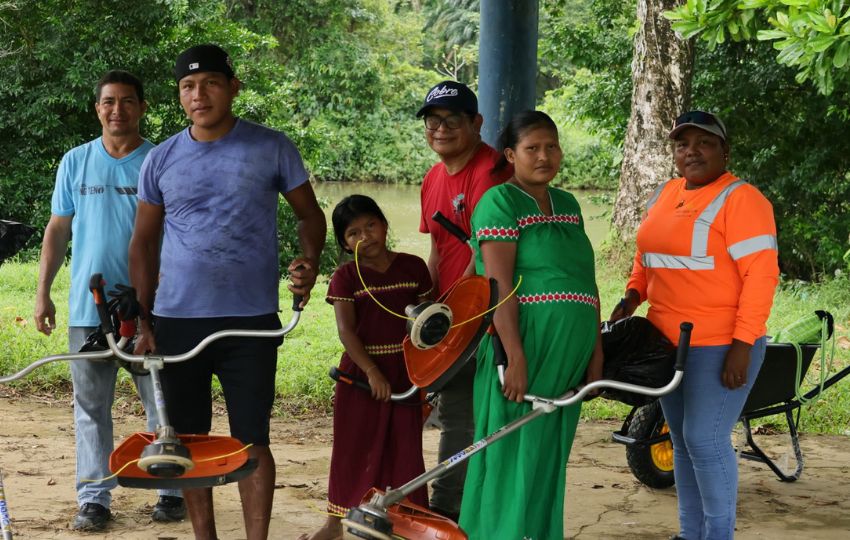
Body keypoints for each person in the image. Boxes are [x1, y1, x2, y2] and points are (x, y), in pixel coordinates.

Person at [128, 44, 326, 540]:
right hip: (178, 320)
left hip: (251, 320)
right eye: (188, 87)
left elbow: (310, 215)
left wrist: (309, 262)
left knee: (252, 439)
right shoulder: (161, 158)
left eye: (211, 83)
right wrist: (145, 320)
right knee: (187, 442)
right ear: (179, 97)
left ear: (233, 87)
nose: (200, 95)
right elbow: (144, 242)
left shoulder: (271, 146)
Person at [609, 110, 779, 540]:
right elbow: (646, 257)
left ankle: (718, 535)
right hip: (666, 343)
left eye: (704, 142)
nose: (692, 151)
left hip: (720, 344)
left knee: (705, 439)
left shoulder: (743, 200)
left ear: (725, 150)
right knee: (682, 441)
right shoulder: (664, 194)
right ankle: (690, 533)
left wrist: (743, 343)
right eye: (683, 144)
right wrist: (633, 294)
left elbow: (761, 277)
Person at [33, 70, 185, 530]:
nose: (116, 109)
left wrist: (157, 301)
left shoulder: (160, 160)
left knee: (161, 401)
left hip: (152, 308)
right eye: (108, 102)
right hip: (88, 309)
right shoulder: (75, 161)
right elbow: (58, 229)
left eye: (126, 101)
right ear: (97, 108)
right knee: (91, 408)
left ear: (141, 106)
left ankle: (170, 488)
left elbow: (177, 233)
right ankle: (94, 497)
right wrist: (43, 293)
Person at [458, 111, 604, 539]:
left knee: (547, 454)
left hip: (568, 354)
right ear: (511, 154)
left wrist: (595, 351)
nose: (545, 156)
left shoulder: (570, 205)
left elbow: (585, 280)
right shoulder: (500, 202)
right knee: (508, 451)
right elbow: (499, 286)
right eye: (532, 148)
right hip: (523, 347)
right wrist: (516, 355)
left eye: (552, 146)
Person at [299, 195, 432, 540]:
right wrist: (372, 371)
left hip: (407, 375)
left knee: (405, 450)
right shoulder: (345, 277)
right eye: (353, 233)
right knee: (353, 451)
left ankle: (408, 524)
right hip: (359, 376)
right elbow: (346, 332)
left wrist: (428, 374)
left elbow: (430, 324)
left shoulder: (414, 267)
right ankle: (334, 525)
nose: (366, 236)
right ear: (344, 244)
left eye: (371, 225)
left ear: (385, 224)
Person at [415, 80, 510, 521]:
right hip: (451, 317)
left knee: (463, 418)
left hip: (486, 315)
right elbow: (439, 249)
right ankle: (451, 503)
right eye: (434, 121)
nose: (441, 129)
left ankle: (448, 509)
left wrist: (456, 314)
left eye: (453, 120)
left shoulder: (492, 171)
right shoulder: (433, 177)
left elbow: (485, 254)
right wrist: (425, 306)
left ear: (477, 123)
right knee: (454, 413)